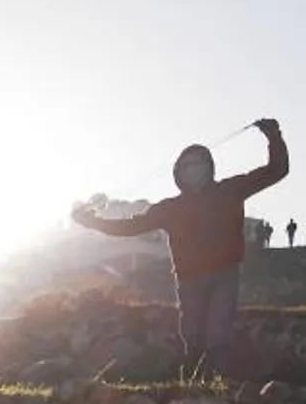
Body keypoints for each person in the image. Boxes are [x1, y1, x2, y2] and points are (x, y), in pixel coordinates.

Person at [71, 119, 288, 375]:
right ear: (178, 173)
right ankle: (197, 383)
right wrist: (91, 221)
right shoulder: (170, 208)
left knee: (218, 334)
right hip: (190, 279)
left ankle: (213, 381)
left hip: (223, 274)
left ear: (210, 167)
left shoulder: (230, 190)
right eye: (188, 166)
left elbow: (277, 170)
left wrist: (274, 136)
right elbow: (128, 227)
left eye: (199, 164)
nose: (194, 170)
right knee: (194, 335)